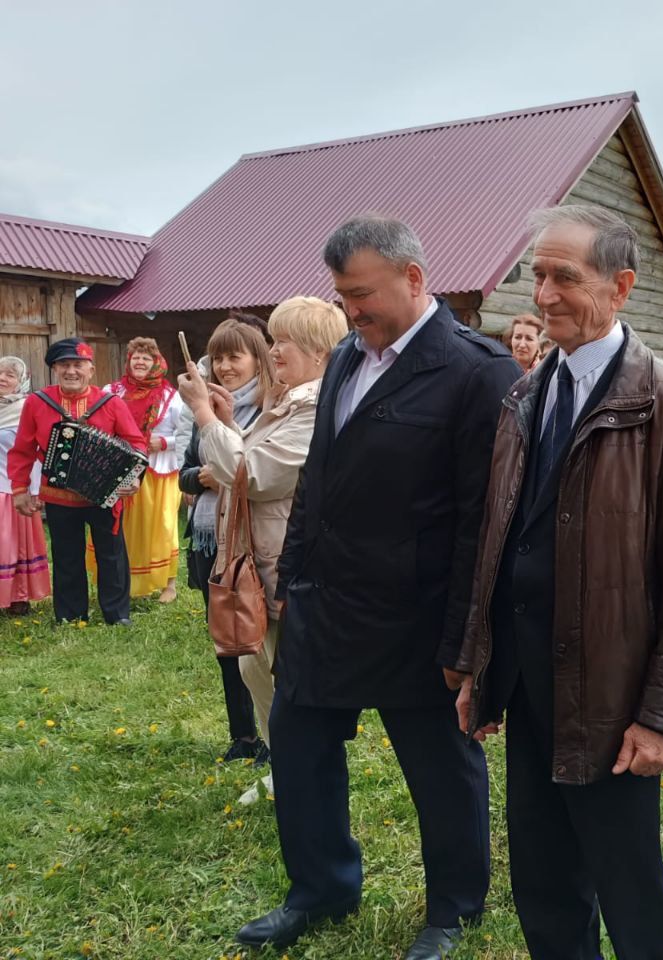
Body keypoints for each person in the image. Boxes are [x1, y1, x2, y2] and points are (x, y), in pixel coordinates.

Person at [234, 216, 519, 959]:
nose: (351, 311)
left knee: (440, 767)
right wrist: (290, 576)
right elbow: (318, 482)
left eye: (362, 295)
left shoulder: (476, 371)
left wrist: (465, 637)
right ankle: (320, 888)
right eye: (342, 296)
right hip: (325, 603)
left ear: (414, 278)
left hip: (415, 616)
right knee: (299, 749)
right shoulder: (342, 362)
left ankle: (453, 909)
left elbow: (479, 522)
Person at [449, 205, 663, 960]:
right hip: (530, 683)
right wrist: (481, 664)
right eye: (537, 276)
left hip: (612, 693)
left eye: (563, 277)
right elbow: (496, 540)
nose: (543, 295)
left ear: (621, 286)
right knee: (542, 878)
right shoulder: (526, 395)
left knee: (628, 882)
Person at [181, 302, 342, 783]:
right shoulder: (288, 403)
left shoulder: (314, 409)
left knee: (283, 678)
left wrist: (204, 414)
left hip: (284, 570)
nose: (272, 352)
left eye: (281, 342)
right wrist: (229, 424)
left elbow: (248, 475)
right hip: (263, 565)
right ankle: (284, 769)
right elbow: (248, 459)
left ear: (316, 350)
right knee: (258, 668)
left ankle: (302, 778)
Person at [180, 316, 275, 764]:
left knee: (260, 644)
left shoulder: (270, 408)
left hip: (251, 544)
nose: (224, 366)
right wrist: (201, 476)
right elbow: (185, 473)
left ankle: (275, 739)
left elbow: (249, 473)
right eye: (217, 357)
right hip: (207, 538)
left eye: (234, 356)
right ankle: (243, 735)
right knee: (228, 640)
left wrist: (229, 470)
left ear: (259, 358)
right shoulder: (208, 407)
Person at [7, 338, 145, 625]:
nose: (71, 371)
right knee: (67, 555)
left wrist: (134, 476)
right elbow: (22, 450)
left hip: (104, 494)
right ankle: (70, 615)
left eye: (78, 365)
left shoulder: (110, 403)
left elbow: (136, 443)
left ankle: (117, 615)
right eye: (64, 365)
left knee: (112, 555)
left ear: (91, 370)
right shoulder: (37, 402)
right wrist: (20, 489)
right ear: (55, 369)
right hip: (58, 496)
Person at [98, 338, 185, 602]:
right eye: (135, 356)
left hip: (159, 469)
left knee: (162, 525)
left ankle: (168, 584)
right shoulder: (112, 391)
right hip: (120, 466)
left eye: (146, 358)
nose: (139, 361)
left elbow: (186, 434)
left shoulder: (171, 396)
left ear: (156, 363)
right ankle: (124, 581)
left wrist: (164, 442)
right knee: (123, 526)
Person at [0, 357, 51, 614]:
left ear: (21, 381)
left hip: (12, 490)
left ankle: (17, 597)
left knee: (13, 546)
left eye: (9, 375)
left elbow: (34, 452)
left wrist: (35, 491)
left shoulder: (25, 409)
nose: (2, 378)